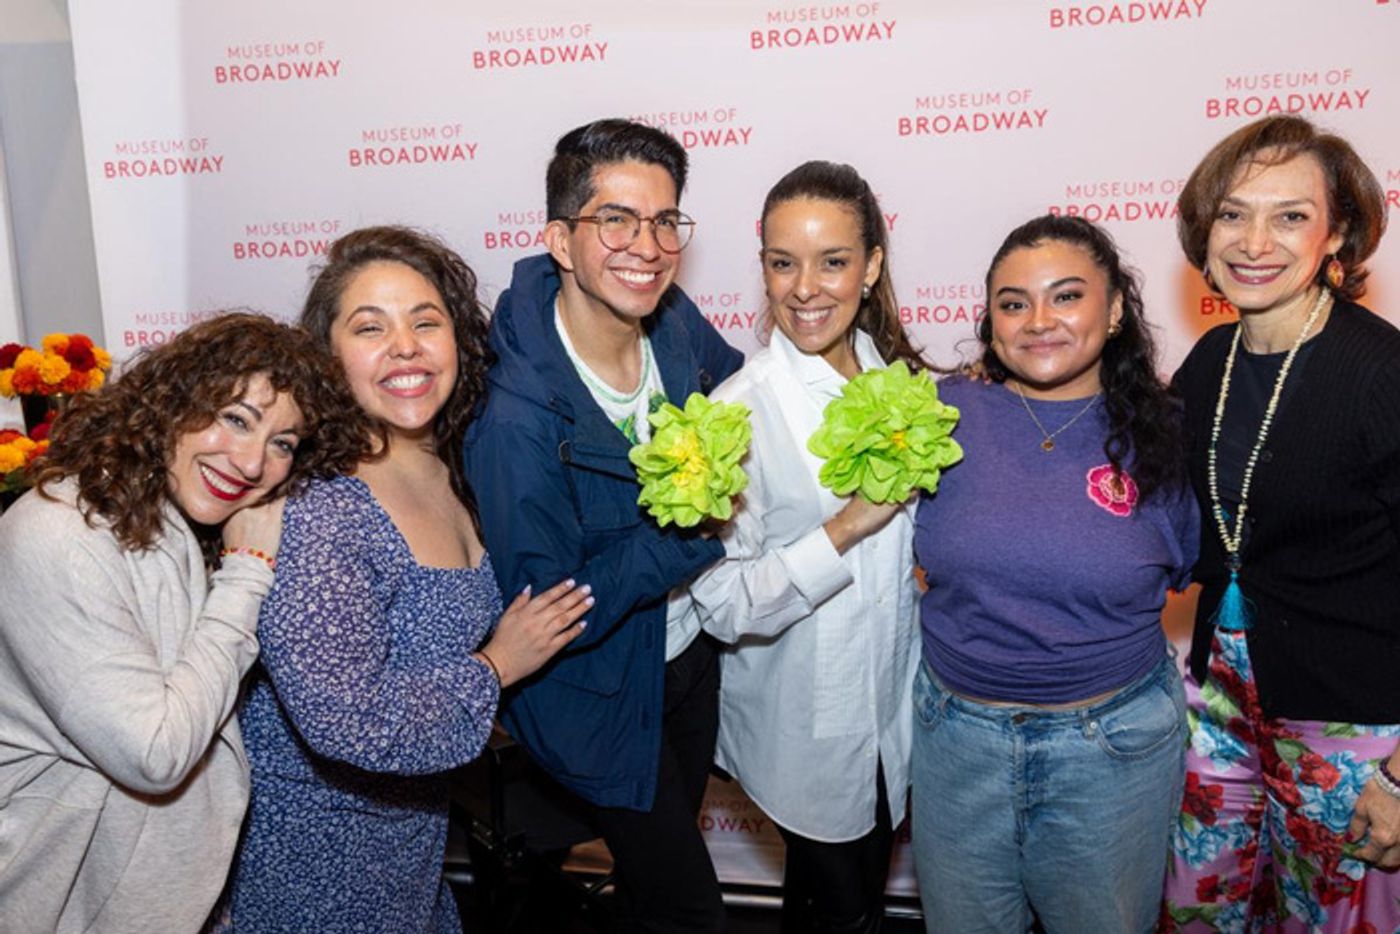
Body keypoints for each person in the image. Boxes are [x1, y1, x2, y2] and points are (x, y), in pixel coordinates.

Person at [227, 227, 592, 933]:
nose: (405, 346)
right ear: (327, 357)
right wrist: (497, 666)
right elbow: (350, 721)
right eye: (370, 327)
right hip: (310, 864)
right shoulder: (323, 507)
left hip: (412, 850)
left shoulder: (457, 465)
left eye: (427, 321)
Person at [463, 119, 743, 932]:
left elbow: (744, 393)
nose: (646, 246)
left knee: (655, 896)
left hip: (685, 660)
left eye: (664, 222)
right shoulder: (514, 416)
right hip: (593, 690)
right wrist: (692, 538)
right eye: (615, 220)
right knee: (693, 912)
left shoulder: (675, 323)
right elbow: (553, 607)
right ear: (560, 238)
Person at [0, 313, 366, 933]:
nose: (253, 462)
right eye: (236, 418)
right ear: (171, 402)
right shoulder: (59, 535)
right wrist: (248, 571)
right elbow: (156, 752)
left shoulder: (175, 517)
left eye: (283, 442)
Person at [911, 215, 1197, 932]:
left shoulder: (1168, 432)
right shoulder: (936, 415)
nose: (1038, 321)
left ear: (1117, 308)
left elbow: (1202, 568)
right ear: (989, 319)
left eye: (1066, 297)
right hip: (956, 741)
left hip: (1112, 751)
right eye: (1013, 303)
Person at [1161, 116, 1400, 932]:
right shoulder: (1208, 362)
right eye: (1232, 213)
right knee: (1197, 914)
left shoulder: (1382, 374)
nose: (1254, 240)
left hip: (1354, 733)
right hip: (1220, 710)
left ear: (1339, 232)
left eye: (1290, 215)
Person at [684, 161, 921, 934]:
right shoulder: (738, 413)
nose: (805, 288)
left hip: (894, 722)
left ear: (873, 265)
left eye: (833, 261)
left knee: (828, 909)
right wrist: (846, 527)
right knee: (847, 915)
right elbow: (719, 605)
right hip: (804, 737)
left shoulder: (899, 385)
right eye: (783, 263)